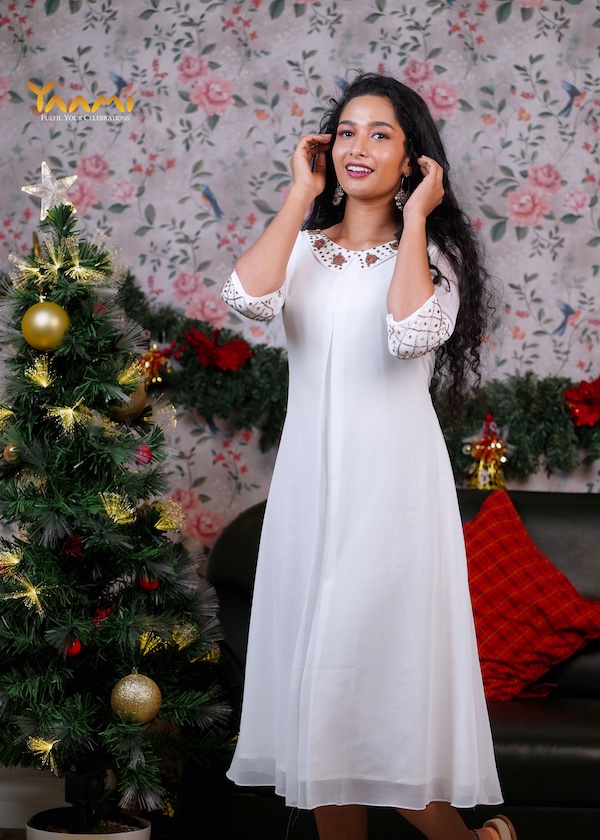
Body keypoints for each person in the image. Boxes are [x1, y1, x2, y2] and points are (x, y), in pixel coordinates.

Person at [220, 72, 516, 840]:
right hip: (309, 498)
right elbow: (246, 296)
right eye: (347, 130)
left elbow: (410, 333)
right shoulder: (303, 249)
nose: (359, 146)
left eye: (381, 134)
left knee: (371, 726)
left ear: (413, 159)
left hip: (392, 500)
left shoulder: (433, 259)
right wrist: (300, 193)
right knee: (326, 738)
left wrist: (415, 220)